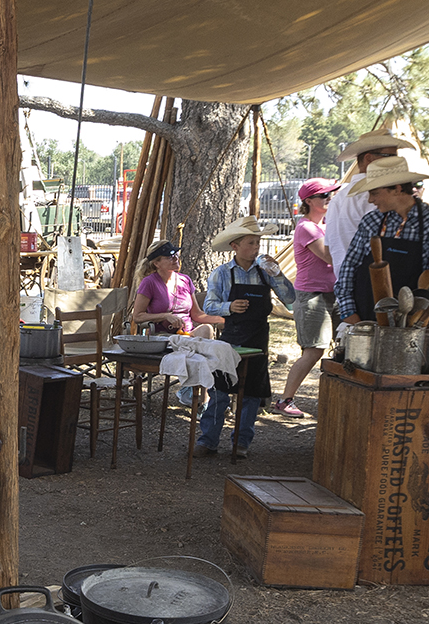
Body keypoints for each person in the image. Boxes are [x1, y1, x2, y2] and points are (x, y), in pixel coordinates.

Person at [195, 216, 296, 459]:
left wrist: (278, 273)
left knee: (251, 392)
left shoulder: (266, 272)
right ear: (235, 246)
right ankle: (208, 441)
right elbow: (209, 305)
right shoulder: (222, 274)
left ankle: (241, 442)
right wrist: (229, 307)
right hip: (231, 339)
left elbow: (290, 300)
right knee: (219, 389)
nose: (255, 249)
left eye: (258, 243)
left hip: (258, 338)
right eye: (250, 243)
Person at [334, 157, 429, 324]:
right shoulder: (372, 221)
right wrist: (348, 311)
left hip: (408, 322)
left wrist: (413, 320)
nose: (371, 200)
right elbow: (349, 267)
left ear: (397, 189)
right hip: (363, 316)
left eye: (375, 192)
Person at [274, 178, 339, 418]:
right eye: (324, 195)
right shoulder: (307, 228)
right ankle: (284, 400)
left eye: (330, 194)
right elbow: (328, 255)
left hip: (331, 293)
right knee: (313, 350)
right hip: (312, 296)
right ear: (308, 201)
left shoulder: (324, 225)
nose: (329, 199)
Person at [324, 130, 415, 277]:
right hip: (376, 284)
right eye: (390, 157)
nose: (394, 162)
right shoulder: (378, 197)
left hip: (347, 284)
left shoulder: (338, 198)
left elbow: (329, 250)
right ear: (369, 159)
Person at [130, 240, 221, 337]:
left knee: (207, 329)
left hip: (187, 334)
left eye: (176, 254)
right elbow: (137, 316)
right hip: (163, 336)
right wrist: (165, 316)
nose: (175, 258)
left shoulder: (185, 280)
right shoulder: (149, 283)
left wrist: (223, 319)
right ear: (157, 263)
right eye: (169, 256)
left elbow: (196, 314)